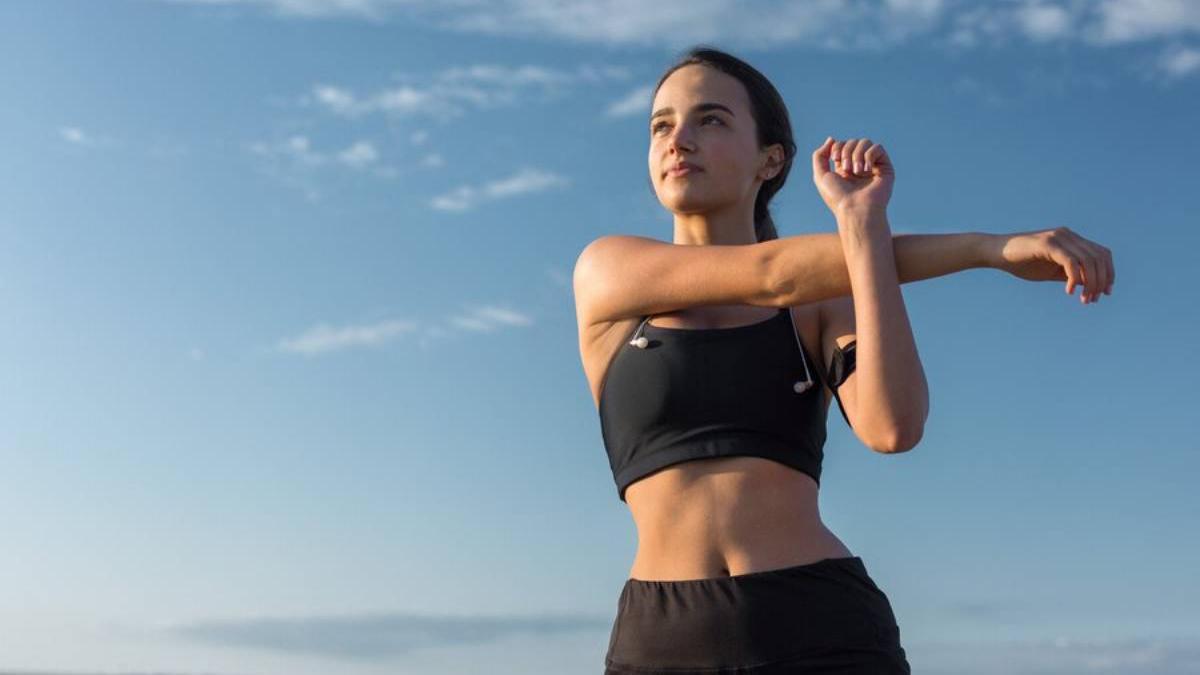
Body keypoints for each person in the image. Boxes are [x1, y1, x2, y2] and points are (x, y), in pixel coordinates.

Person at [573, 45, 1115, 674]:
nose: (679, 140)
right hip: (662, 642)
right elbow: (771, 275)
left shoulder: (823, 302)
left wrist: (863, 227)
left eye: (711, 120)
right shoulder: (609, 273)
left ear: (770, 160)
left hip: (820, 625)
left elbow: (893, 427)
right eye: (661, 124)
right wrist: (989, 248)